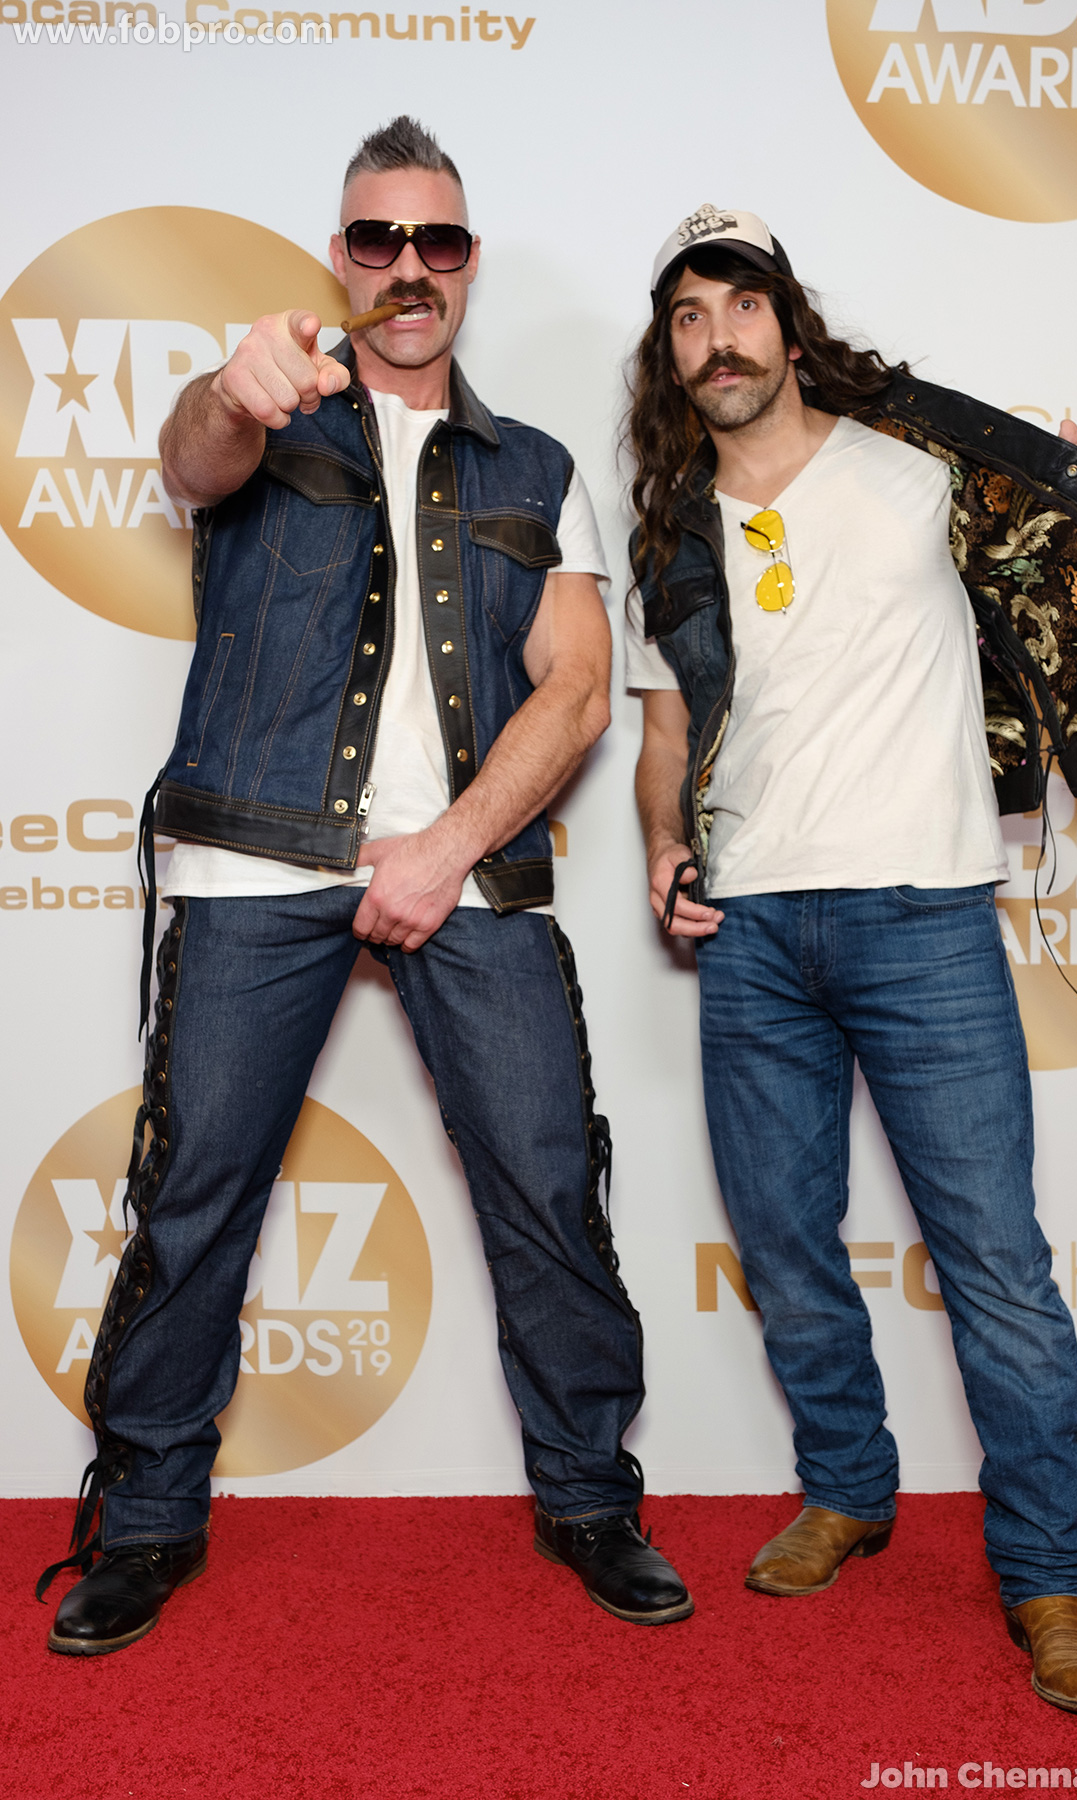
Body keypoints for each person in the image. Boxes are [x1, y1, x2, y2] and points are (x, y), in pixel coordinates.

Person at [39, 117, 693, 1656]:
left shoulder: (536, 466)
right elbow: (189, 458)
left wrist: (444, 849)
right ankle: (147, 1518)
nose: (409, 266)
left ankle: (590, 1496)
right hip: (252, 853)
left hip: (469, 868)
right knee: (196, 1188)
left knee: (547, 1181)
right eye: (379, 239)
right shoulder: (266, 406)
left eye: (437, 241)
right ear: (341, 256)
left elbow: (578, 689)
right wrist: (232, 390)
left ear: (467, 263)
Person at [625, 204, 1077, 1717]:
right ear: (670, 355)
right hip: (751, 931)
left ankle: (1050, 1574)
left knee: (994, 1259)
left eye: (741, 306)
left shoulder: (919, 467)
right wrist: (662, 846)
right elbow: (665, 731)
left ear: (789, 328)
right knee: (788, 1246)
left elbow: (1075, 556)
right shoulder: (672, 527)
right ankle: (849, 1488)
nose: (718, 338)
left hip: (925, 914)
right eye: (687, 316)